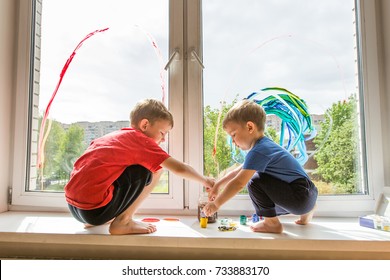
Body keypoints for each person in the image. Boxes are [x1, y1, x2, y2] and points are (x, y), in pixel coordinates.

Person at [65, 99, 214, 235]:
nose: (163, 139)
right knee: (154, 169)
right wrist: (205, 180)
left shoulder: (114, 137)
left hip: (76, 209)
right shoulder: (140, 140)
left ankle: (107, 219)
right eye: (162, 133)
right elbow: (179, 168)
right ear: (145, 125)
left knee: (129, 169)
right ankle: (123, 221)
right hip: (95, 211)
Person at [203, 99, 318, 233]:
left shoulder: (259, 150)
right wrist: (217, 185)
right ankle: (308, 211)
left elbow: (239, 182)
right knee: (263, 202)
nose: (233, 141)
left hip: (299, 197)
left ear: (250, 127)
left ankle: (272, 224)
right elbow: (237, 171)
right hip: (309, 195)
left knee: (254, 181)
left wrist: (216, 204)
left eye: (233, 135)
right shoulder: (265, 146)